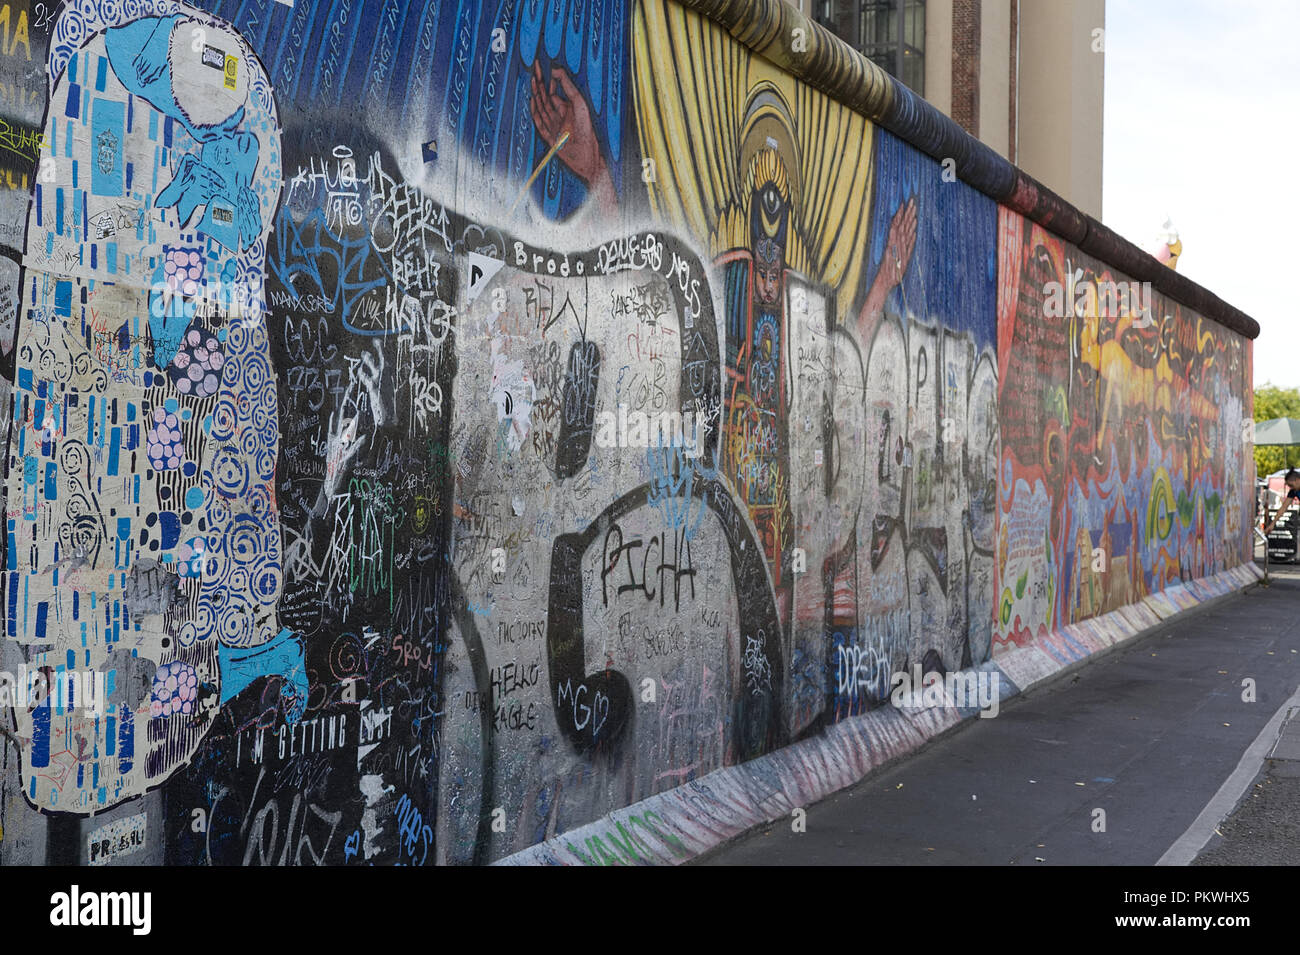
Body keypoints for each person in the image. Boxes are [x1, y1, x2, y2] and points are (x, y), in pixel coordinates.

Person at [1262, 469, 1300, 536]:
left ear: (1297, 480)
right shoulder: (1293, 491)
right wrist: (1272, 524)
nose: (1290, 487)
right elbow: (1284, 507)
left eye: (1291, 485)